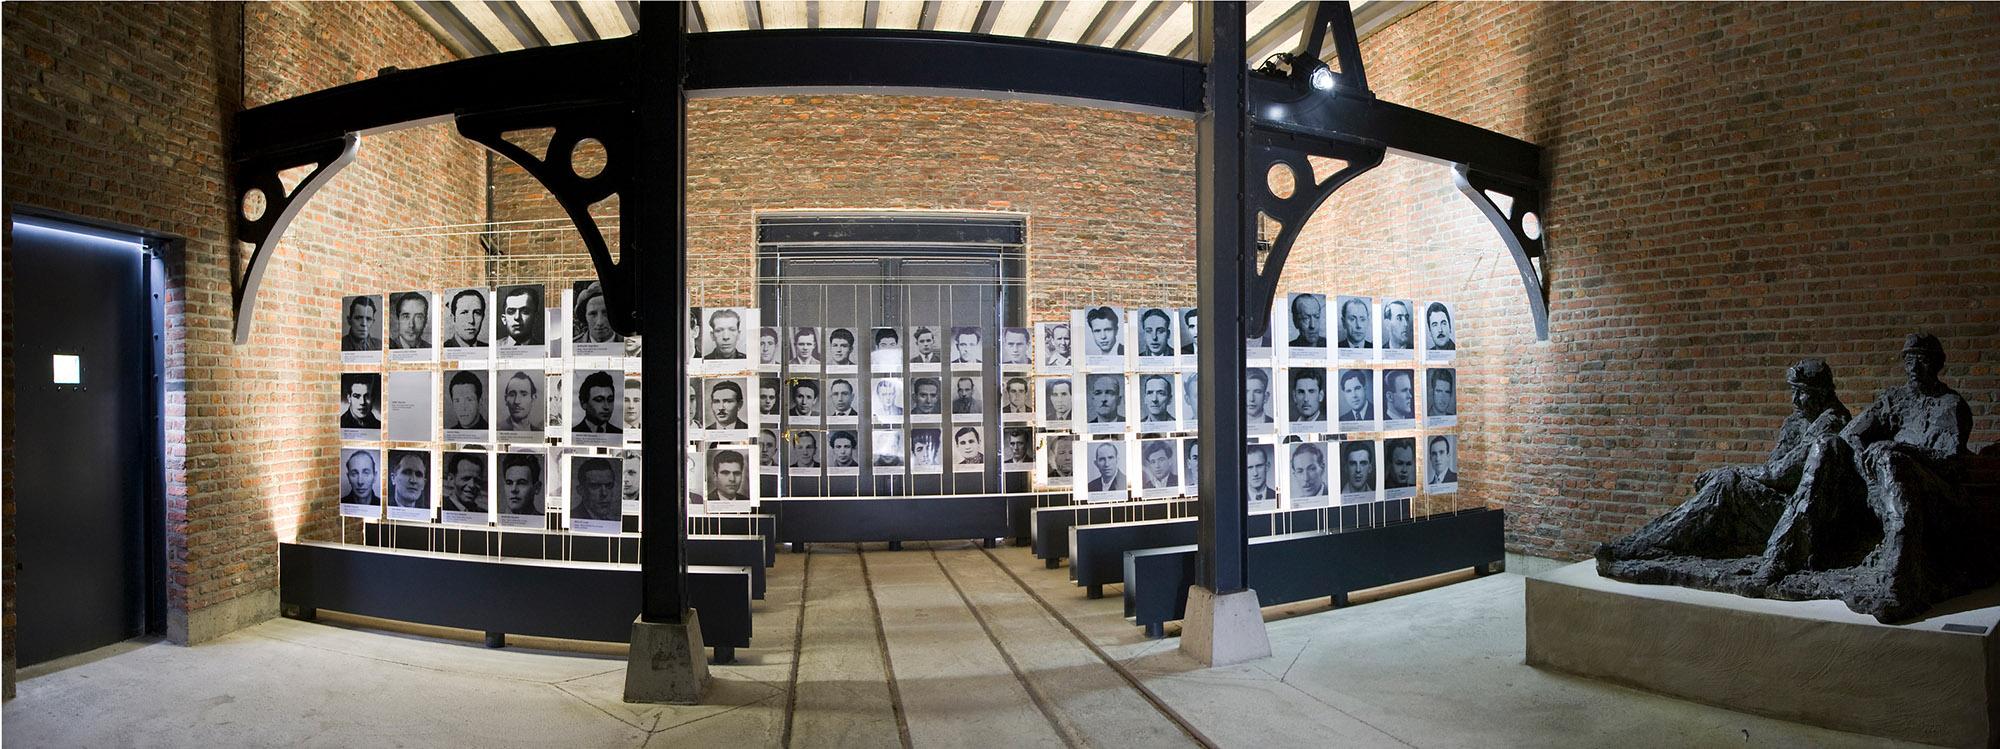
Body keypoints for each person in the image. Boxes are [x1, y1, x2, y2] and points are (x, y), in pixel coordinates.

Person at [571, 457, 620, 521]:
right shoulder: (572, 517)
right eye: (595, 486)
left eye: (609, 485)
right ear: (580, 490)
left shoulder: (611, 522)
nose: (604, 493)